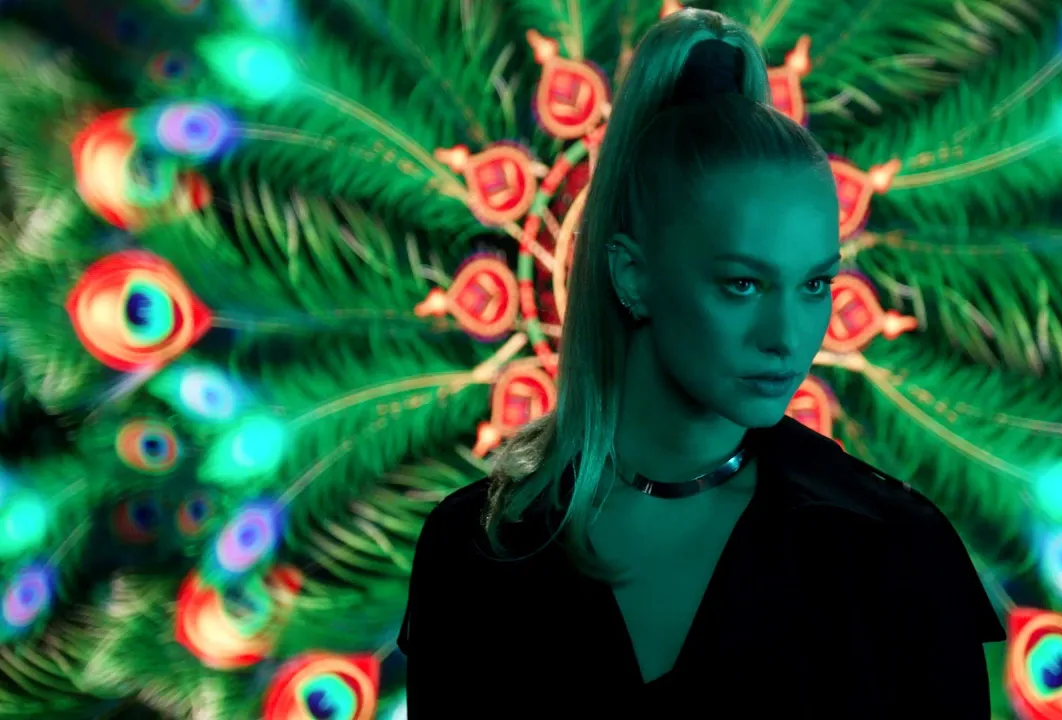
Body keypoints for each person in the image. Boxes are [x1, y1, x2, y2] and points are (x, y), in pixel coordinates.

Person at [399, 7, 1004, 714]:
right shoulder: (479, 550)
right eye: (742, 285)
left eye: (815, 285)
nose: (787, 337)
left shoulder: (893, 552)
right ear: (632, 277)